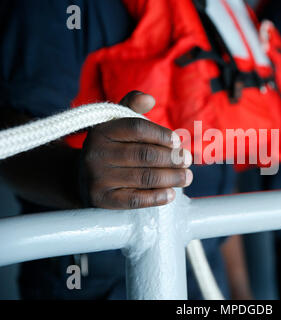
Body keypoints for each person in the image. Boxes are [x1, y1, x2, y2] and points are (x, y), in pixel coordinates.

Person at [0, 0, 253, 299]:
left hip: (205, 260)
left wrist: (240, 293)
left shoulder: (211, 12)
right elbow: (13, 138)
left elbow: (222, 168)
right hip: (92, 273)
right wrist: (74, 176)